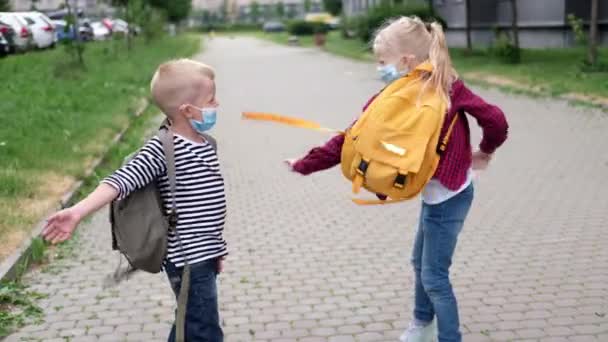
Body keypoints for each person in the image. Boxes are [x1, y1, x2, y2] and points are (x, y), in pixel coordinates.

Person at [286, 17, 508, 342]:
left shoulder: (447, 87)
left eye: (382, 62)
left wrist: (485, 150)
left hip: (450, 195)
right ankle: (422, 323)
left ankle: (448, 337)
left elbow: (496, 119)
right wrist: (306, 164)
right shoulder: (391, 96)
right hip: (433, 195)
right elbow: (353, 140)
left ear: (405, 61)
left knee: (434, 276)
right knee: (419, 262)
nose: (379, 69)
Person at [42, 59, 228, 342]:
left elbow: (204, 208)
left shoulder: (204, 143)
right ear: (188, 110)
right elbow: (120, 180)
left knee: (190, 322)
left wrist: (215, 249)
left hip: (204, 253)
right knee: (204, 330)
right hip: (187, 258)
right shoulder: (162, 149)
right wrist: (78, 212)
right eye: (211, 99)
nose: (217, 104)